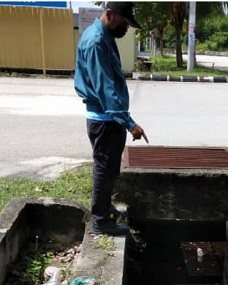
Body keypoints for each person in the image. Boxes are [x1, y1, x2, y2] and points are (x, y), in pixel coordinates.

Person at [74, 1, 149, 236]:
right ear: (109, 14)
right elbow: (106, 90)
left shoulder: (104, 37)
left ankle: (105, 208)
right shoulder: (96, 42)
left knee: (110, 168)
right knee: (104, 169)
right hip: (105, 119)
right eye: (124, 22)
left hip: (109, 119)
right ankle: (100, 222)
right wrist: (130, 124)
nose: (126, 28)